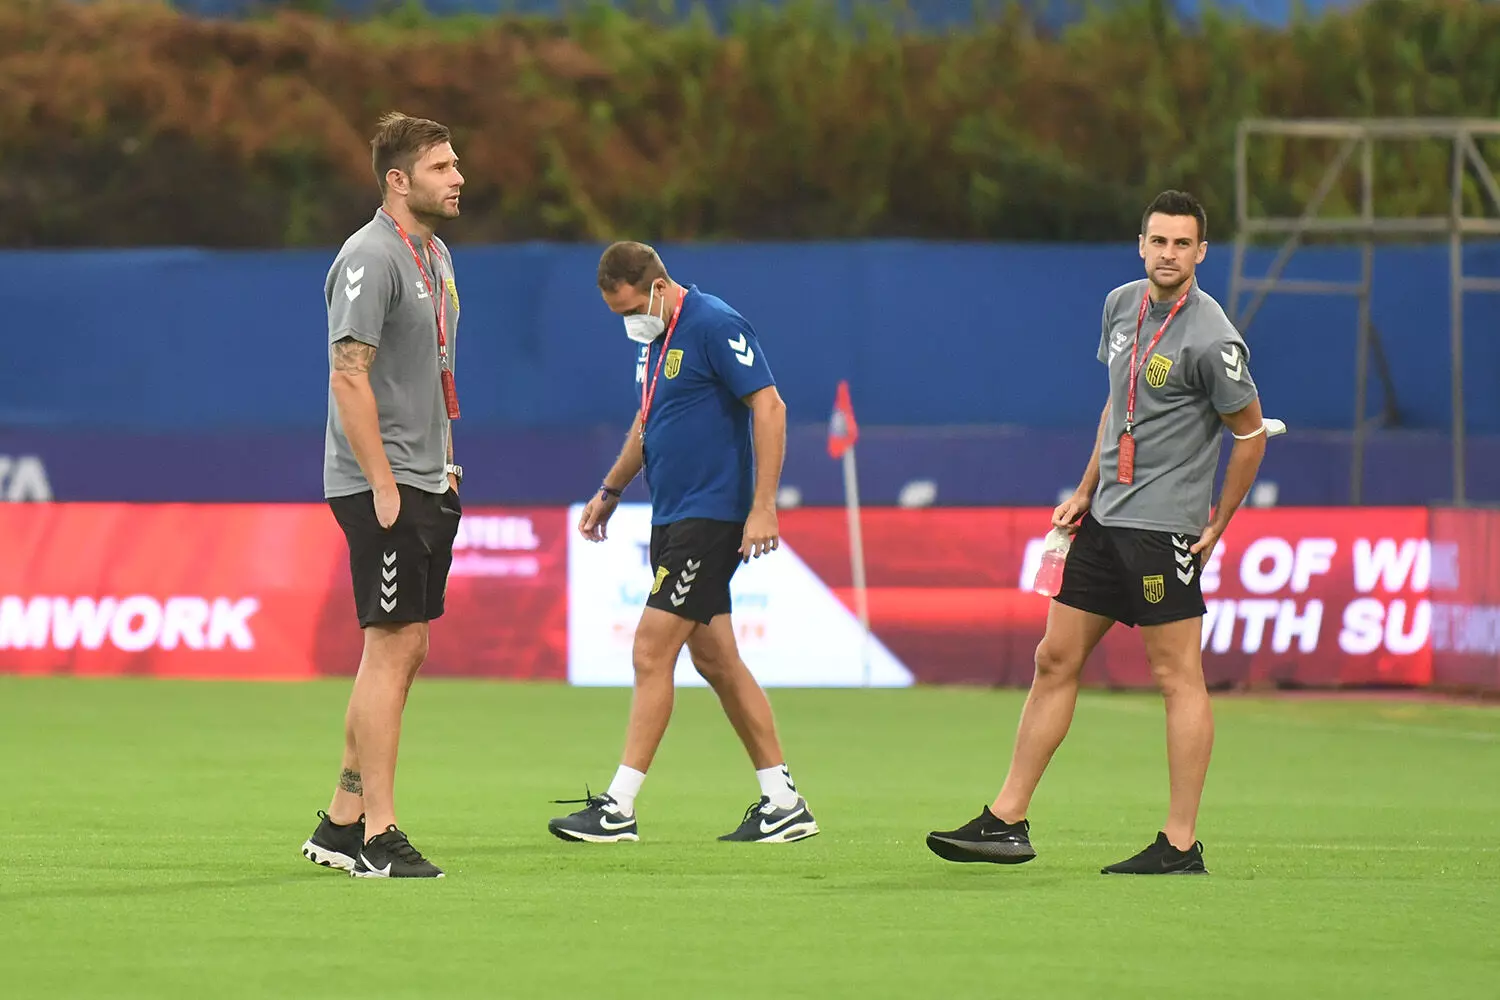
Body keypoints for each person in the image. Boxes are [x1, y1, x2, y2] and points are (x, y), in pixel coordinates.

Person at [926, 190, 1268, 875]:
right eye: (1158, 241)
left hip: (1162, 527)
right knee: (1053, 660)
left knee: (1176, 677)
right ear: (1140, 243)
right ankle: (1007, 820)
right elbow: (1120, 400)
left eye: (1182, 244)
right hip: (1106, 518)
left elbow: (1252, 434)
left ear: (1201, 253)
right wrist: (1086, 488)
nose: (1168, 254)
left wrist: (1218, 522)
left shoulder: (1212, 336)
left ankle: (1178, 844)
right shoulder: (1121, 305)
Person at [548, 241, 819, 845]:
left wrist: (764, 507)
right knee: (718, 661)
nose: (626, 323)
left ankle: (618, 807)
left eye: (628, 310)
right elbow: (650, 424)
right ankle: (782, 801)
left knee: (650, 650)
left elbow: (769, 406)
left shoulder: (714, 324)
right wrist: (611, 490)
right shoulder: (656, 343)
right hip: (672, 518)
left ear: (657, 287)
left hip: (710, 517)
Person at [299, 112, 466, 879]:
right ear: (398, 181)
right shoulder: (371, 256)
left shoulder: (432, 254)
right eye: (441, 167)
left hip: (426, 474)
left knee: (406, 647)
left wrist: (445, 464)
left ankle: (339, 821)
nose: (458, 177)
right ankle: (378, 833)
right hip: (384, 481)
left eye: (455, 164)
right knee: (389, 648)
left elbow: (431, 373)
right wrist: (384, 484)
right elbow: (348, 374)